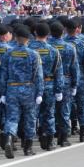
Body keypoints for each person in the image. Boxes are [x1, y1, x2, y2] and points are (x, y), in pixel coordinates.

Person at [0, 25, 44, 158]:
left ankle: (10, 139)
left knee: (12, 117)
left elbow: (3, 75)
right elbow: (38, 76)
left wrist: (2, 92)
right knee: (29, 118)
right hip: (28, 89)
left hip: (12, 88)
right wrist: (39, 93)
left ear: (16, 38)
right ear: (28, 39)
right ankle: (27, 148)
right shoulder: (34, 54)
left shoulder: (8, 53)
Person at [28, 22, 64, 151]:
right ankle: (48, 140)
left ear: (35, 33)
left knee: (31, 115)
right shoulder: (54, 51)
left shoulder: (29, 48)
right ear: (48, 35)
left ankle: (28, 143)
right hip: (48, 84)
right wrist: (59, 90)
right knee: (48, 114)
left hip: (31, 85)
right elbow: (59, 72)